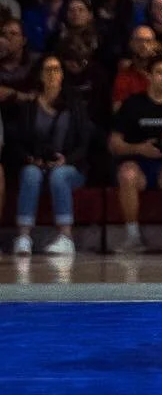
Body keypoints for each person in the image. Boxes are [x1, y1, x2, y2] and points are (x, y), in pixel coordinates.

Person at [9, 54, 90, 258]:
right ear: (40, 75)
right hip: (37, 164)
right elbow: (18, 142)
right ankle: (24, 237)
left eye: (56, 69)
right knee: (30, 174)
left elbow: (84, 143)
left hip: (70, 166)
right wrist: (30, 159)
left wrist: (66, 160)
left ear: (63, 75)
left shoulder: (75, 106)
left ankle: (65, 237)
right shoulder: (29, 107)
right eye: (48, 69)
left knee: (59, 175)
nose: (52, 74)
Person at [109, 53, 162, 253]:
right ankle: (133, 237)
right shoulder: (132, 104)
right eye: (160, 72)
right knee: (127, 173)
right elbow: (114, 143)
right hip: (139, 164)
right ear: (149, 75)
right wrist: (139, 149)